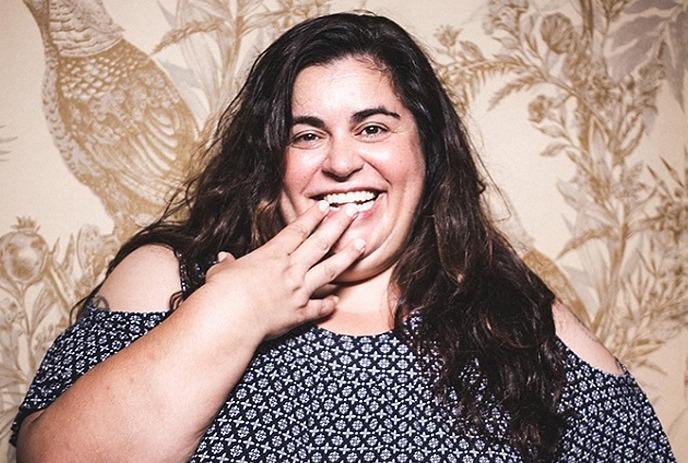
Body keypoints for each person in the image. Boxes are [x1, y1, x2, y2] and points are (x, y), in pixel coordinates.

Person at [11, 12, 675, 463]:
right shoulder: (170, 278)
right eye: (307, 134)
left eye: (374, 127)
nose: (340, 161)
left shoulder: (515, 318)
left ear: (429, 153)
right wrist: (231, 312)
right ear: (272, 159)